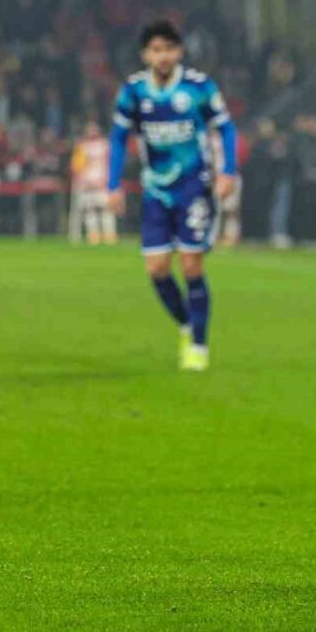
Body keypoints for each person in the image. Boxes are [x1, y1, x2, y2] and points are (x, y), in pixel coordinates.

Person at [107, 20, 238, 371]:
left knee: (192, 264)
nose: (162, 56)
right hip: (155, 191)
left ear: (179, 51)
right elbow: (118, 138)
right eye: (155, 50)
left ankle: (198, 345)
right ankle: (186, 324)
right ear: (145, 54)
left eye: (168, 49)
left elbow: (226, 128)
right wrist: (112, 184)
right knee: (157, 268)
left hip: (194, 188)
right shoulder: (134, 91)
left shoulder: (198, 87)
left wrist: (228, 171)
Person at [70, 120, 117, 245]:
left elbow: (111, 163)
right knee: (89, 210)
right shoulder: (82, 146)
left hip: (103, 181)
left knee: (107, 210)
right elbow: (76, 165)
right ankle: (93, 236)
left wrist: (109, 179)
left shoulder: (105, 145)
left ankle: (109, 236)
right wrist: (81, 179)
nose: (92, 132)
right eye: (90, 130)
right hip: (87, 183)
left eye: (94, 129)